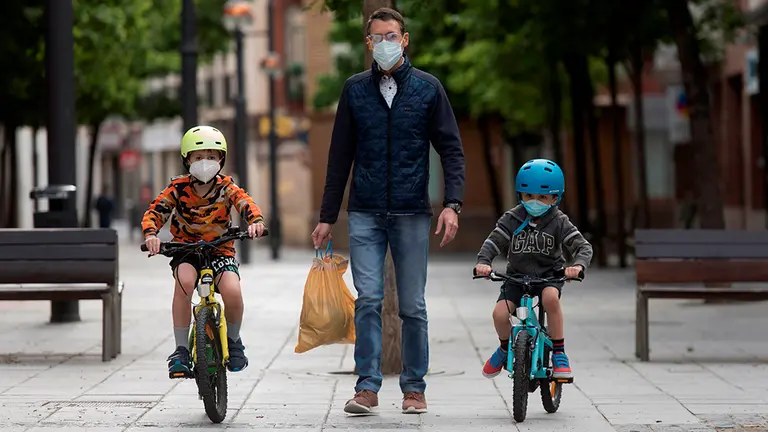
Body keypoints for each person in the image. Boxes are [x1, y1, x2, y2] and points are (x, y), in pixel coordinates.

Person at [311, 7, 466, 415]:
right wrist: (328, 216)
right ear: (368, 43)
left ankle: (414, 388)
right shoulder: (354, 89)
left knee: (413, 304)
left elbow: (451, 149)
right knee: (368, 299)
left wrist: (452, 204)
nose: (385, 43)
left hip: (413, 212)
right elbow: (339, 156)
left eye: (391, 36)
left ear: (405, 39)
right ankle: (367, 387)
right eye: (377, 37)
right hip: (364, 212)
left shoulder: (429, 89)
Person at [141, 125, 266, 377]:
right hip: (186, 250)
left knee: (232, 290)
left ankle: (233, 340)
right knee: (185, 283)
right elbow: (156, 211)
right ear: (187, 159)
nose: (205, 162)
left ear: (221, 159)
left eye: (211, 156)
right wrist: (151, 234)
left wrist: (255, 222)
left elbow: (245, 202)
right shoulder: (177, 188)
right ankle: (181, 350)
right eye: (198, 157)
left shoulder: (226, 186)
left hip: (220, 250)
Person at [474, 159, 592, 381]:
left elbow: (582, 246)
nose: (534, 202)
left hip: (549, 276)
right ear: (521, 195)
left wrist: (577, 266)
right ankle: (504, 347)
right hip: (516, 278)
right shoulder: (512, 218)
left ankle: (558, 351)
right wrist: (484, 262)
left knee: (550, 299)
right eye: (529, 196)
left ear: (555, 198)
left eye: (542, 197)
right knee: (499, 314)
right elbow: (494, 242)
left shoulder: (559, 221)